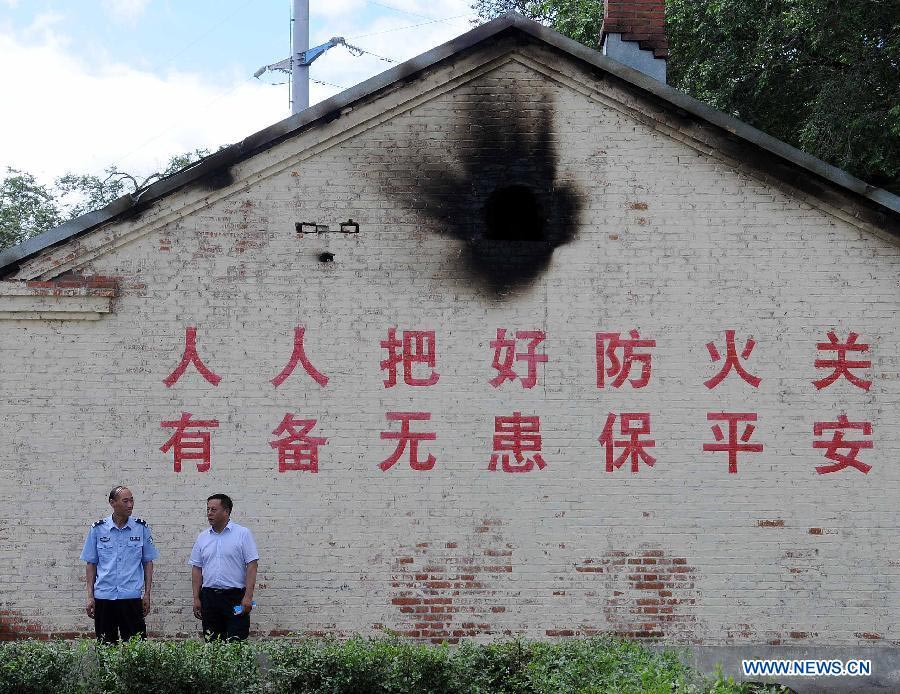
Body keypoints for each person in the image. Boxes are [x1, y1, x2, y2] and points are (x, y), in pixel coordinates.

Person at [80, 485, 158, 642]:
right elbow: (91, 564)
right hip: (104, 597)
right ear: (112, 503)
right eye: (125, 501)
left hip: (131, 596)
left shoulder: (140, 528)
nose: (130, 505)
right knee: (106, 646)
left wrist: (147, 594)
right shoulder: (98, 529)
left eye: (131, 500)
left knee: (136, 648)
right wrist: (90, 596)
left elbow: (148, 562)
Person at [189, 493, 259, 641]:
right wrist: (196, 598)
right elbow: (197, 568)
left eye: (213, 509)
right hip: (209, 597)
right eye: (208, 509)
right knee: (212, 642)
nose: (209, 513)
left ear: (226, 511)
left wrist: (248, 596)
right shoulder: (203, 537)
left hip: (235, 598)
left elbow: (252, 565)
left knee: (236, 640)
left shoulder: (242, 534)